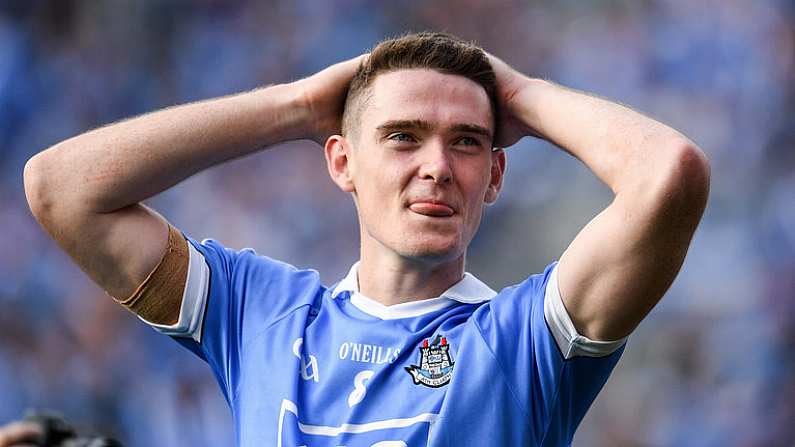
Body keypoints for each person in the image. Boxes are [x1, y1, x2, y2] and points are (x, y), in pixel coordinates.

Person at [21, 32, 709, 446]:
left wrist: (520, 93)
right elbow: (62, 188)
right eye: (402, 136)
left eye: (466, 141)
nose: (436, 165)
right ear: (342, 161)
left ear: (494, 175)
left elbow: (667, 175)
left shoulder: (523, 340)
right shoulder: (261, 313)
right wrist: (293, 104)